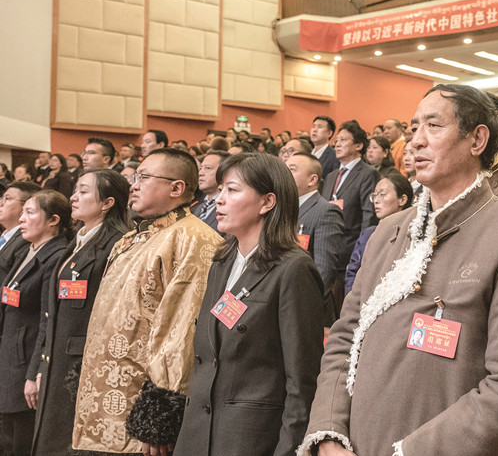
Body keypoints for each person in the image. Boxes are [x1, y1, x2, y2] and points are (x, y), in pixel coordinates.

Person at [300, 84, 498, 456]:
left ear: (477, 140)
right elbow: (344, 339)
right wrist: (328, 434)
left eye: (433, 126)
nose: (416, 141)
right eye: (413, 128)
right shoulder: (388, 231)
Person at [173, 153, 324, 456]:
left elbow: (302, 379)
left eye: (232, 190)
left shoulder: (293, 269)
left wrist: (290, 449)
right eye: (220, 190)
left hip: (249, 439)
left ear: (267, 202)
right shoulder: (223, 260)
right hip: (198, 433)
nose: (219, 199)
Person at [73, 148, 222, 454]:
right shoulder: (132, 237)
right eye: (135, 178)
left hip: (141, 405)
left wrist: (160, 413)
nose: (134, 186)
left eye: (144, 177)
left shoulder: (194, 238)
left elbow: (183, 328)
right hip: (103, 396)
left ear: (176, 188)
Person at [31, 170, 131, 456]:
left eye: (84, 191)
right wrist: (41, 366)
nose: (73, 197)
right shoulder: (79, 239)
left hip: (85, 364)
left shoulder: (118, 244)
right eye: (75, 190)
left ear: (107, 203)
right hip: (58, 358)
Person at [0, 190, 71, 456]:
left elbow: (48, 321)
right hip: (10, 358)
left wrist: (35, 373)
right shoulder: (26, 250)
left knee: (20, 443)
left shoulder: (57, 256)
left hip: (26, 361)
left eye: (29, 213)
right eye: (22, 212)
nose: (21, 219)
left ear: (53, 220)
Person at [320, 120, 380, 295]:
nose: (337, 144)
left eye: (344, 140)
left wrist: (360, 253)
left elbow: (369, 216)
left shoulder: (368, 173)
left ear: (358, 145)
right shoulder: (331, 176)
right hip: (326, 250)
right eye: (336, 140)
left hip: (349, 251)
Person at [287, 152, 345, 325]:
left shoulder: (326, 211)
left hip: (305, 310)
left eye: (292, 169)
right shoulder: (284, 208)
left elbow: (323, 272)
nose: (285, 174)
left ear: (312, 180)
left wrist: (301, 308)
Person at [344, 172, 412, 294]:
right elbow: (352, 272)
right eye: (374, 195)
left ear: (402, 199)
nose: (376, 200)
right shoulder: (368, 233)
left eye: (382, 194)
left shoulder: (411, 234)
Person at [0, 182, 41, 282]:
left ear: (27, 205)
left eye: (7, 198)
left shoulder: (25, 240)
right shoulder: (5, 236)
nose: (1, 203)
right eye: (2, 198)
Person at [191, 150, 227, 234]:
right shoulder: (197, 208)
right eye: (200, 168)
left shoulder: (229, 209)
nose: (200, 173)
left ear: (224, 172)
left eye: (208, 168)